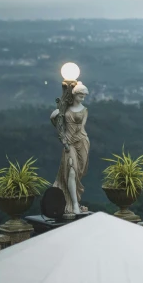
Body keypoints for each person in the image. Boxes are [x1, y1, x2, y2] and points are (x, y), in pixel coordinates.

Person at [50, 82, 90, 216]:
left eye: (84, 96)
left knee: (79, 171)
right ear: (74, 94)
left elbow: (82, 128)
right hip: (69, 144)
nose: (82, 98)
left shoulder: (84, 110)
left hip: (82, 141)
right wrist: (55, 116)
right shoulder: (64, 109)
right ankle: (74, 204)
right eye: (80, 96)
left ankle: (76, 201)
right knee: (71, 171)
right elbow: (57, 122)